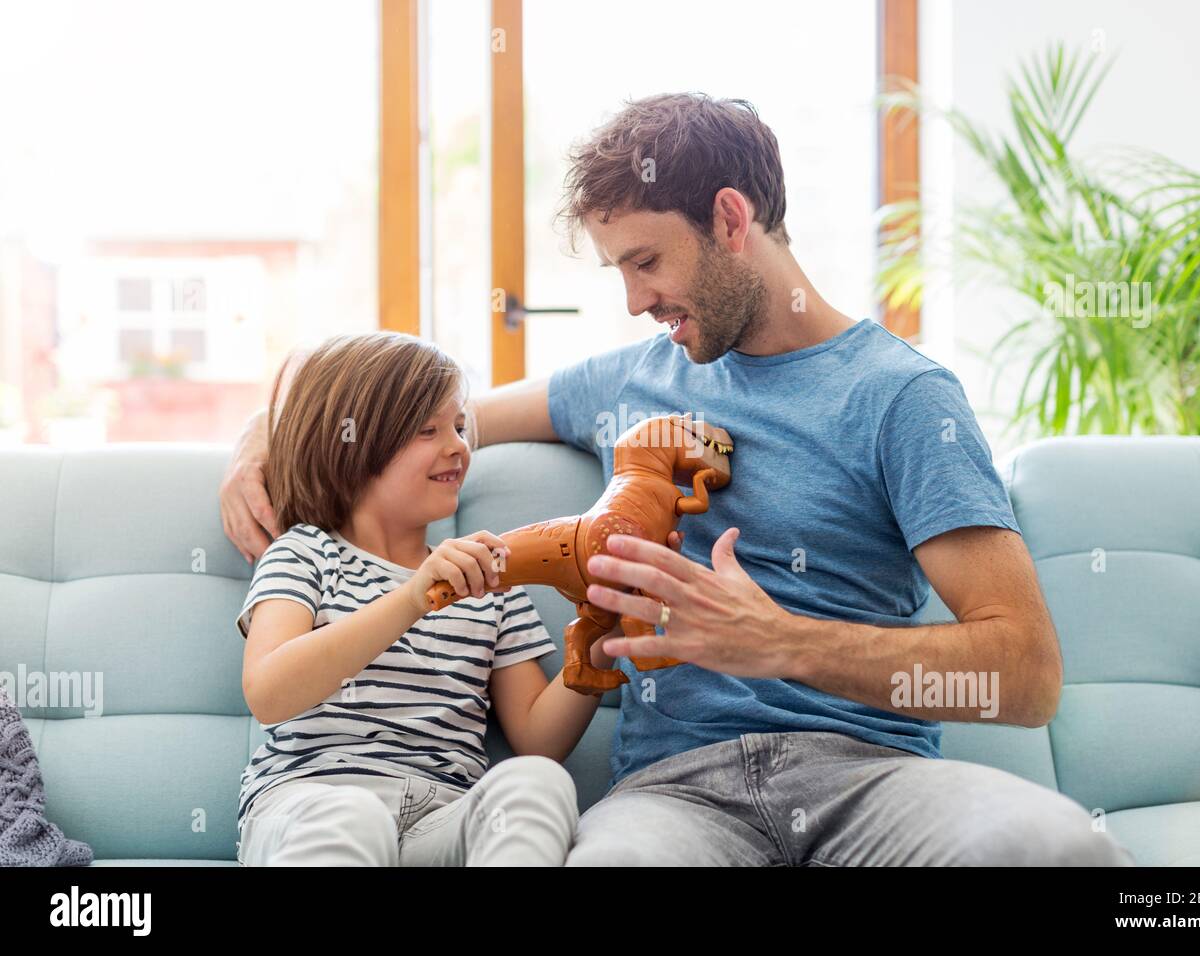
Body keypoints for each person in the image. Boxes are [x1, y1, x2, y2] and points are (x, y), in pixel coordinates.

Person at [223, 93, 1134, 866]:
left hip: (870, 775)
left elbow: (1025, 676)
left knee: (1058, 850)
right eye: (619, 269)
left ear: (732, 221)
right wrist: (267, 437)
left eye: (646, 262)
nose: (633, 301)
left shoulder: (901, 398)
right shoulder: (634, 377)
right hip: (673, 799)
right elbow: (429, 411)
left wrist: (779, 641)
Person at [235, 332, 600, 866]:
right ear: (351, 447)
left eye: (458, 426)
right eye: (427, 430)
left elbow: (538, 738)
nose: (456, 445)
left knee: (538, 779)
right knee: (351, 818)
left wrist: (600, 633)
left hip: (439, 818)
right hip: (309, 802)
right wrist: (411, 598)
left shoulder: (491, 582)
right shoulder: (306, 552)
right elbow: (269, 692)